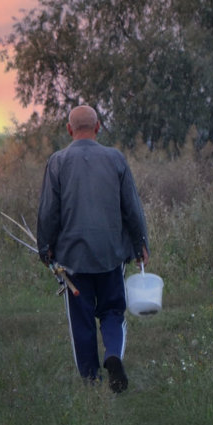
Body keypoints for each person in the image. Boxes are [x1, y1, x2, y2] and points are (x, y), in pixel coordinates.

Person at [36, 105, 149, 393]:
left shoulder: (57, 161)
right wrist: (140, 244)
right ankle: (113, 353)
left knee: (81, 319)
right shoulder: (116, 159)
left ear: (69, 129)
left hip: (73, 258)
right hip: (111, 254)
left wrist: (45, 247)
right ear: (98, 127)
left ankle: (90, 381)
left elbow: (49, 211)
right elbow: (132, 208)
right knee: (113, 311)